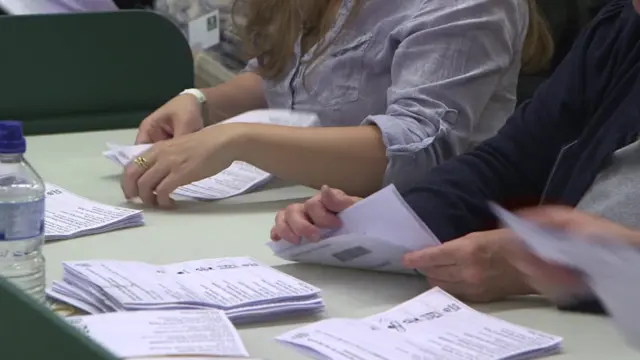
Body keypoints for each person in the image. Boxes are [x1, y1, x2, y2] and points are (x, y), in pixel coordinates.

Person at [271, 0, 640, 314]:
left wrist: (568, 262)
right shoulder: (621, 29)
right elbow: (509, 162)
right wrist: (382, 224)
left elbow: (419, 139)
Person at [122, 0, 553, 208]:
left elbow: (418, 148)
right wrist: (200, 101)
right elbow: (281, 79)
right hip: (303, 212)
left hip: (416, 234)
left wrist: (237, 138)